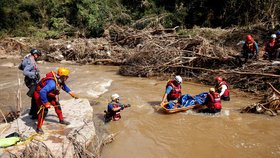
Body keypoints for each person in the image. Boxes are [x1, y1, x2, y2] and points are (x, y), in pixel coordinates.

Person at [34, 67, 78, 134]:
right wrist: (45, 102)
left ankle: (61, 120)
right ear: (62, 76)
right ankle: (38, 128)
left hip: (48, 93)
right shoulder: (52, 83)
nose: (67, 78)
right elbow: (42, 92)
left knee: (57, 105)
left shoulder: (59, 80)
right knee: (44, 111)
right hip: (40, 94)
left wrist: (71, 93)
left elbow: (64, 86)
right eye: (66, 77)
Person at [18, 48, 41, 119]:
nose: (38, 57)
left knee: (34, 96)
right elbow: (25, 72)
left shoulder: (27, 58)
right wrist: (35, 73)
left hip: (30, 80)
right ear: (35, 55)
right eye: (38, 55)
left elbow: (21, 67)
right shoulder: (30, 62)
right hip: (31, 80)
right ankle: (34, 114)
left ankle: (32, 111)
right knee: (36, 96)